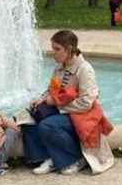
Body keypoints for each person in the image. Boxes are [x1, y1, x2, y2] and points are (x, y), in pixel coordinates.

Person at [23, 30, 114, 175]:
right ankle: (46, 157)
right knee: (28, 118)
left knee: (48, 125)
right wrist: (40, 100)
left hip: (82, 116)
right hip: (64, 111)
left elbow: (86, 103)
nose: (53, 53)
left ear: (70, 49)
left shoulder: (85, 70)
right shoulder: (59, 67)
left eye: (57, 49)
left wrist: (58, 105)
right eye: (53, 48)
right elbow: (51, 90)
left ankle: (75, 158)